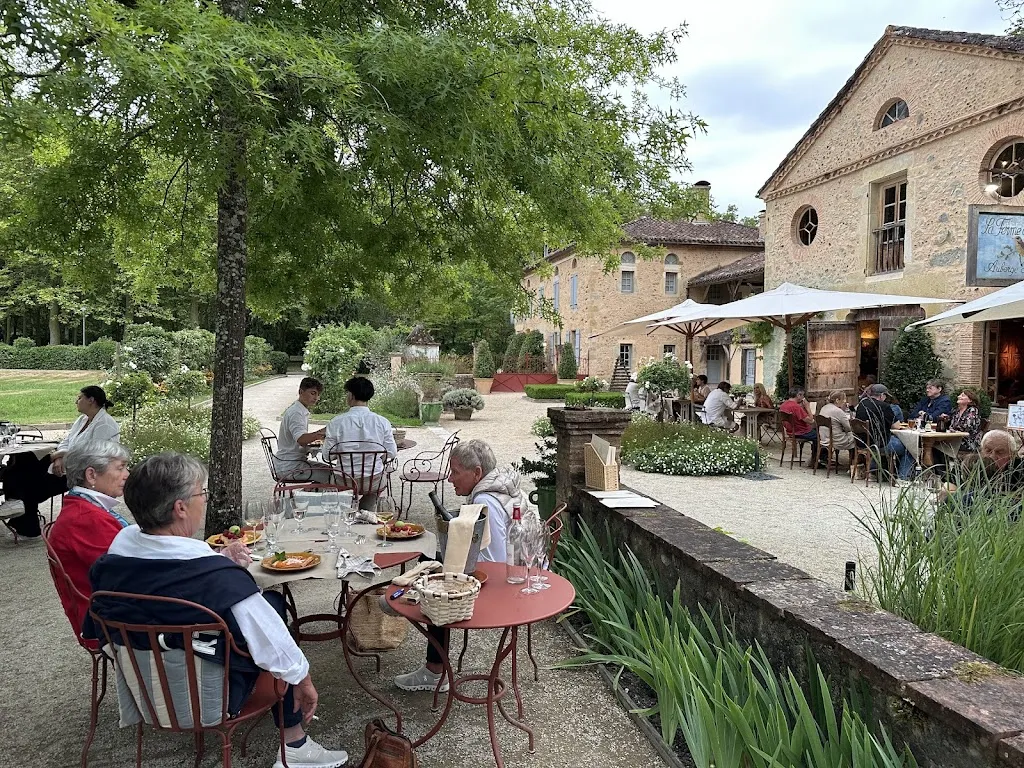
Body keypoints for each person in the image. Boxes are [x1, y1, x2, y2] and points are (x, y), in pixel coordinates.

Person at [84, 453, 348, 768]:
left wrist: (218, 557)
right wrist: (304, 680)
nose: (205, 500)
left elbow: (170, 568)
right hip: (209, 698)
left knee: (262, 614)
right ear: (180, 508)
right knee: (274, 618)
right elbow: (275, 646)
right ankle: (294, 742)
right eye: (201, 493)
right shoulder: (218, 580)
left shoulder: (114, 560)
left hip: (147, 690)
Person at [394, 439, 531, 694]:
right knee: (432, 563)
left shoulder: (487, 501)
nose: (450, 479)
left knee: (437, 586)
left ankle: (435, 670)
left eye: (455, 472)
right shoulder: (500, 486)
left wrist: (445, 568)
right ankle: (403, 600)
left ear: (477, 472)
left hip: (511, 584)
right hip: (524, 571)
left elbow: (495, 560)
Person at [4, 385, 120, 539]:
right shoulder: (82, 419)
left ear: (91, 400)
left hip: (84, 472)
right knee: (20, 467)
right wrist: (59, 457)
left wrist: (59, 455)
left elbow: (92, 454)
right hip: (66, 463)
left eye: (79, 398)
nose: (76, 401)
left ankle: (23, 518)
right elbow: (66, 441)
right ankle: (21, 514)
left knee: (24, 478)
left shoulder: (105, 424)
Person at [47, 440, 132, 639]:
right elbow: (127, 575)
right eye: (120, 468)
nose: (127, 474)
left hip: (104, 609)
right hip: (105, 622)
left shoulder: (82, 507)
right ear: (91, 475)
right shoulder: (85, 519)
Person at [325, 377, 397, 510]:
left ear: (351, 395)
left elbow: (327, 456)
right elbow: (391, 452)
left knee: (333, 479)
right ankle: (366, 511)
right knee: (377, 482)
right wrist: (377, 457)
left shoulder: (336, 422)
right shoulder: (382, 422)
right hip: (373, 480)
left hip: (344, 480)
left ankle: (349, 511)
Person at [276, 377, 331, 483]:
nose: (316, 398)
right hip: (290, 466)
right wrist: (324, 431)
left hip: (291, 462)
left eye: (318, 394)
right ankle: (314, 497)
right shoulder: (296, 413)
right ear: (301, 392)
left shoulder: (299, 410)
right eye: (313, 393)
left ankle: (315, 494)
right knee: (334, 476)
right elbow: (301, 439)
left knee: (331, 471)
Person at [854, 384, 914, 480]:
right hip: (880, 444)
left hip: (862, 442)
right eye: (885, 396)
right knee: (910, 449)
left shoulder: (862, 403)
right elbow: (896, 426)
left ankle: (872, 473)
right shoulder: (884, 406)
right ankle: (903, 478)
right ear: (882, 395)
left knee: (877, 438)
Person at [779, 388, 819, 464]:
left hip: (790, 431)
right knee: (819, 436)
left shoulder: (783, 405)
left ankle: (814, 459)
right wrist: (807, 407)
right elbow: (811, 420)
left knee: (815, 433)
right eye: (802, 395)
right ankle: (816, 460)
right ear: (798, 395)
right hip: (801, 432)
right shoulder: (796, 407)